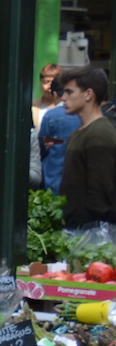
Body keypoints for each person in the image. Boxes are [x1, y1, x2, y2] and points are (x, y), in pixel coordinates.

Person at [58, 67, 116, 228]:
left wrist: (87, 230)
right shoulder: (81, 132)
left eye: (70, 92)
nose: (63, 98)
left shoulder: (99, 134)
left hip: (89, 231)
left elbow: (101, 193)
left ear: (88, 94)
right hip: (76, 228)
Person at [39, 69, 79, 194]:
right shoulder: (84, 114)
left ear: (55, 94)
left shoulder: (51, 116)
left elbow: (41, 145)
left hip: (54, 180)